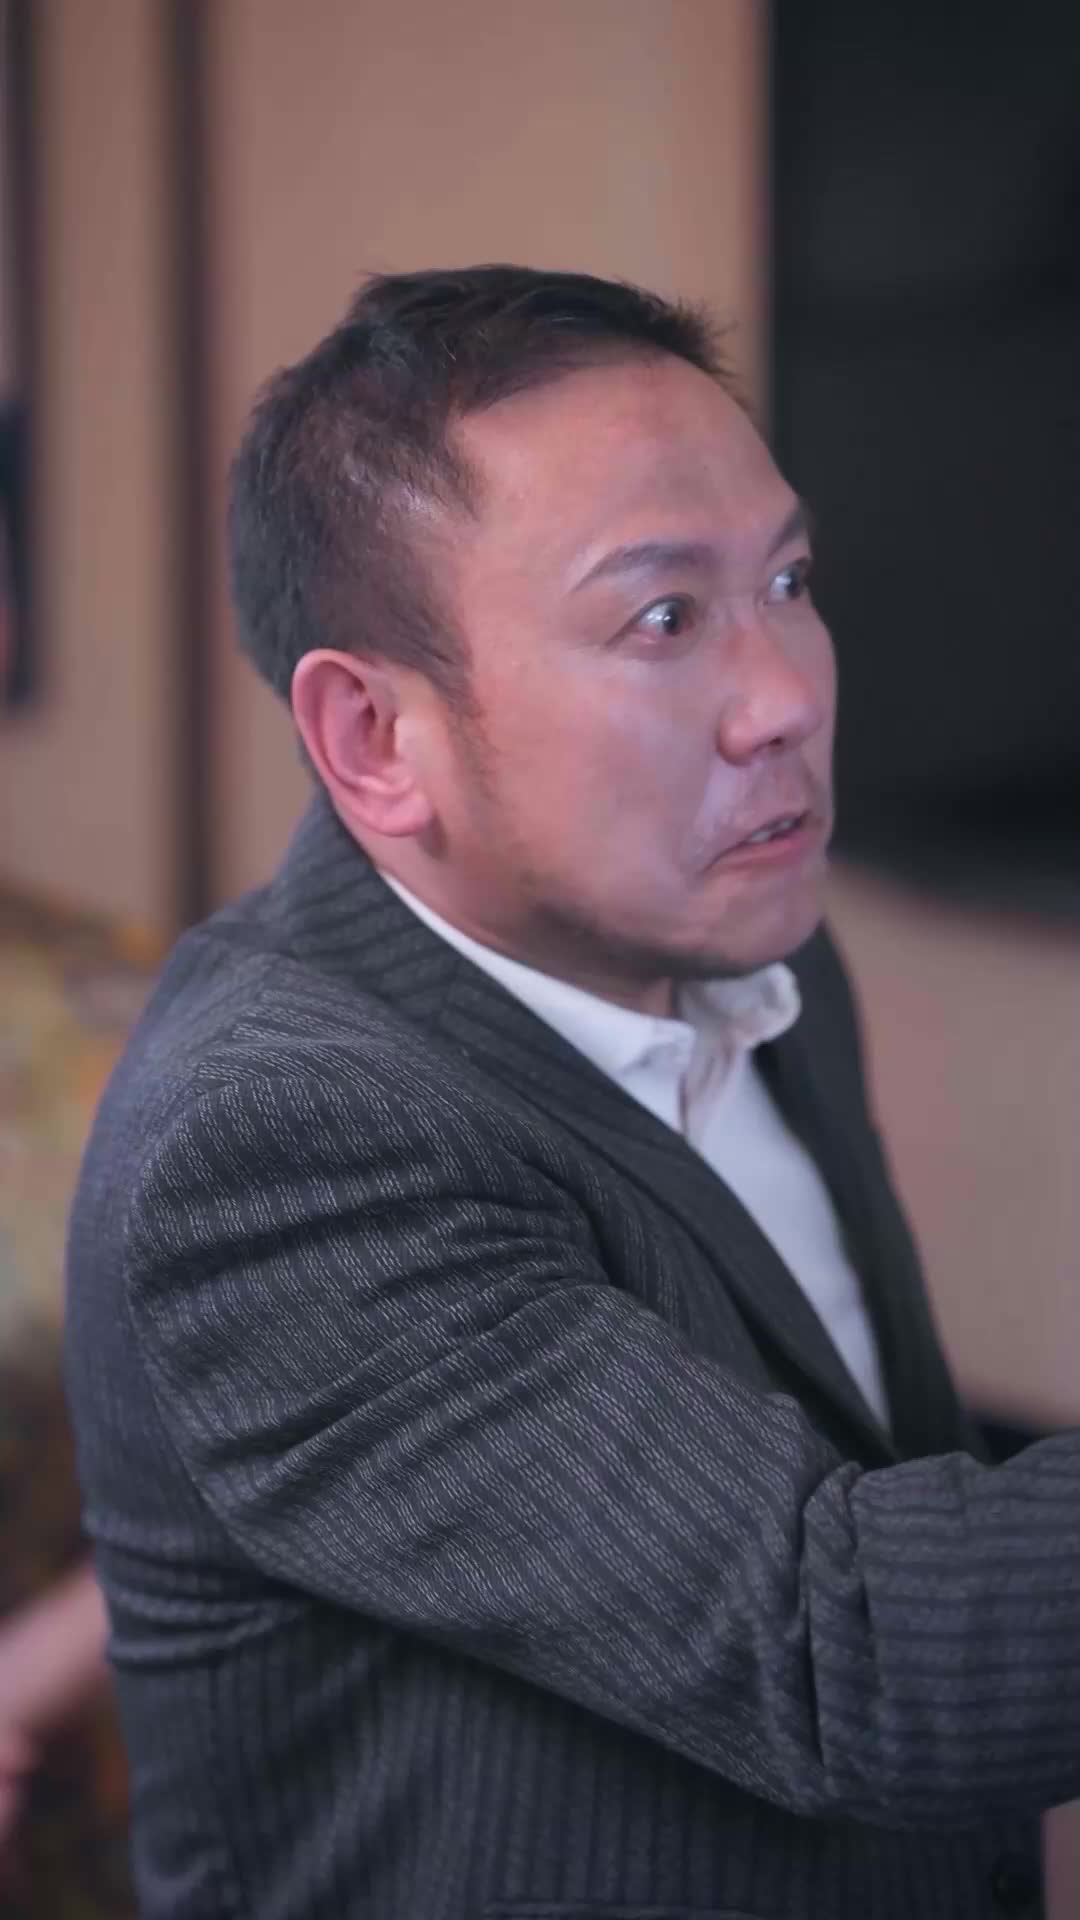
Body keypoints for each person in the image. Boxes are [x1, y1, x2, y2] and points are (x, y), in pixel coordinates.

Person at [65, 267, 1079, 1920]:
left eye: (790, 580)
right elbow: (851, 1653)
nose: (789, 697)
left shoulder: (752, 938)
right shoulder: (270, 1142)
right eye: (663, 619)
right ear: (375, 736)